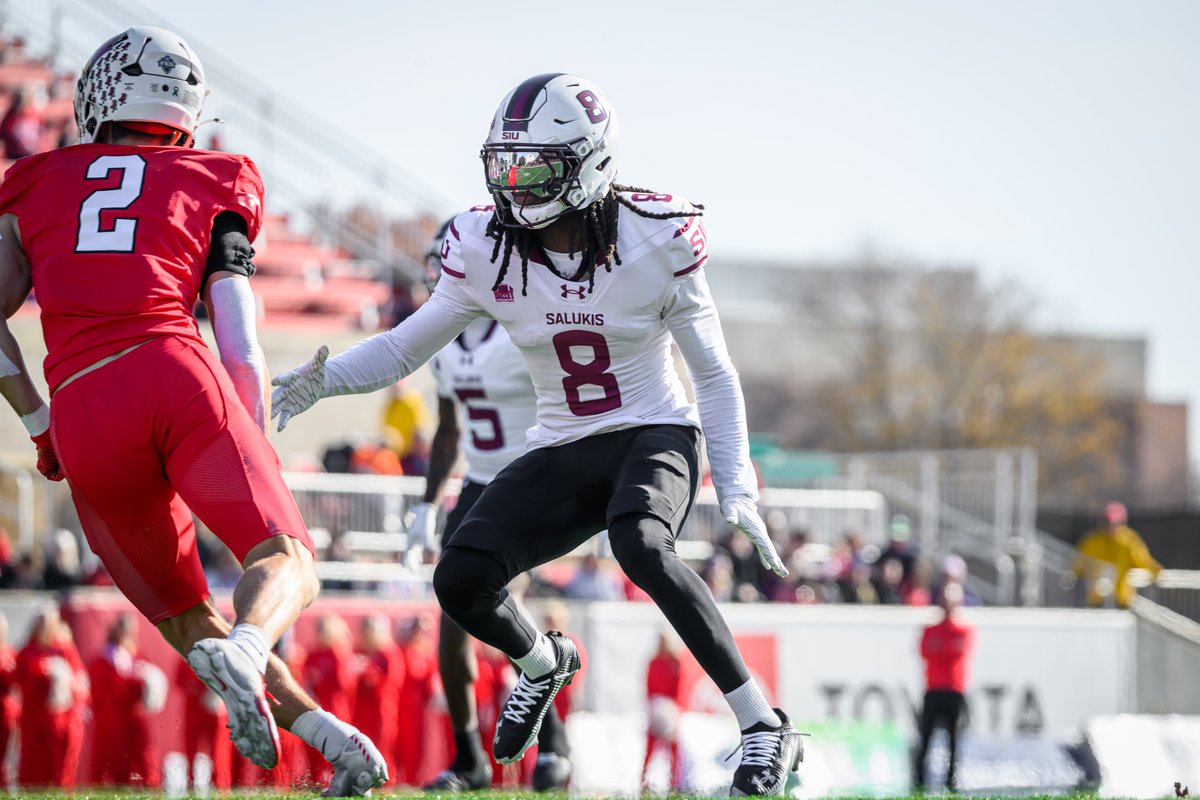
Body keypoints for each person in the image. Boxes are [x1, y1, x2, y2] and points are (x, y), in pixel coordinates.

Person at [272, 72, 801, 795]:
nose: (516, 184)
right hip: (561, 442)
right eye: (506, 165)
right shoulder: (485, 246)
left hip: (653, 428)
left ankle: (764, 727)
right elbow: (403, 348)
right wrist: (321, 380)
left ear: (590, 166)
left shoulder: (656, 238)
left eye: (538, 166)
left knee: (639, 542)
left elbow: (712, 373)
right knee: (459, 577)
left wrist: (737, 481)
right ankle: (543, 663)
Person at [0, 27, 384, 795]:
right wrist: (248, 432)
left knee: (181, 615)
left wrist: (40, 424)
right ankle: (253, 650)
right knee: (286, 562)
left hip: (80, 407)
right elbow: (240, 340)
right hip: (173, 374)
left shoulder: (31, 180)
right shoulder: (216, 177)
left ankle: (329, 738)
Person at [407, 220, 573, 793]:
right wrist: (426, 508)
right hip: (476, 487)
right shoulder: (442, 342)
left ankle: (552, 745)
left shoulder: (519, 324)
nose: (438, 275)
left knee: (499, 613)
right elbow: (449, 430)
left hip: (526, 481)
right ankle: (469, 759)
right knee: (453, 632)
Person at [15, 608, 87, 788]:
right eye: (43, 625)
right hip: (34, 718)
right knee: (34, 765)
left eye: (50, 625)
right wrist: (42, 672)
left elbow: (79, 680)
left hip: (61, 719)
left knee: (60, 768)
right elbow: (20, 680)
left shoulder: (64, 649)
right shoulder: (27, 652)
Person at [914, 583, 974, 792]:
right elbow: (925, 650)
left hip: (954, 690)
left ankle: (951, 780)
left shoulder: (963, 629)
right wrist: (943, 647)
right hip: (934, 689)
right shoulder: (931, 629)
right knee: (926, 737)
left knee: (953, 739)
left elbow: (955, 651)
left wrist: (940, 646)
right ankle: (919, 780)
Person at [1073, 501, 1162, 608]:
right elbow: (1079, 563)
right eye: (1105, 522)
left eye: (1111, 523)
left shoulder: (1128, 541)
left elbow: (1143, 561)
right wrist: (1073, 573)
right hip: (1097, 599)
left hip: (1121, 599)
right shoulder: (1093, 541)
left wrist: (1157, 572)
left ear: (1120, 523)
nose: (1108, 526)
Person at [642, 631, 683, 792]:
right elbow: (648, 686)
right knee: (650, 748)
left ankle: (674, 784)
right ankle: (643, 781)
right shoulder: (654, 662)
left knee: (673, 750)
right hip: (656, 709)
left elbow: (680, 687)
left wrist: (674, 709)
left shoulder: (675, 662)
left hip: (670, 710)